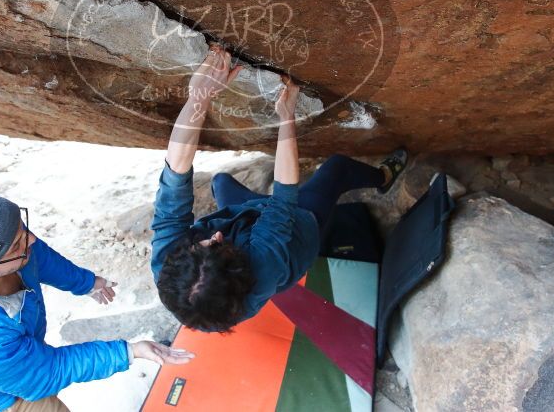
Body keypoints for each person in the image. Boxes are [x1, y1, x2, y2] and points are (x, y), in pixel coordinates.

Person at [151, 43, 407, 332]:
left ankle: (246, 219)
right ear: (236, 269)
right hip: (298, 233)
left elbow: (175, 172)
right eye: (218, 246)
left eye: (205, 241)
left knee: (221, 181)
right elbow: (285, 198)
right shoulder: (262, 268)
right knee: (336, 169)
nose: (216, 234)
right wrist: (287, 116)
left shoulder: (169, 266)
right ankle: (384, 179)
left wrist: (200, 95)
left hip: (246, 218)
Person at [0, 180, 193, 412]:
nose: (30, 239)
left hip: (9, 362)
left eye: (21, 228)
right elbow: (48, 372)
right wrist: (129, 351)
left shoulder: (2, 249)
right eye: (18, 241)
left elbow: (40, 257)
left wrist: (87, 283)